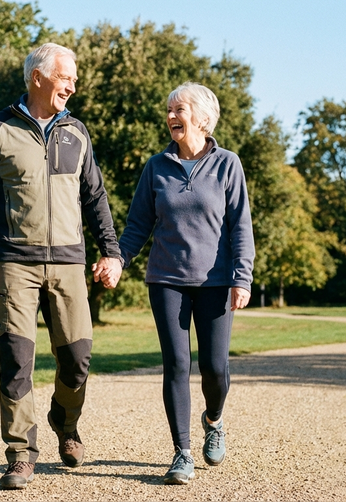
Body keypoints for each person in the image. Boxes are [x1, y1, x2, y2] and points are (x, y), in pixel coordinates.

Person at [0, 42, 122, 490]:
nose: (73, 86)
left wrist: (112, 251)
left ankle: (65, 422)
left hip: (68, 264)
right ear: (38, 77)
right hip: (13, 263)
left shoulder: (77, 132)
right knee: (16, 361)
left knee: (77, 360)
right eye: (66, 77)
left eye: (74, 79)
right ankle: (20, 454)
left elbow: (95, 197)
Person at [105, 82, 254, 485]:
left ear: (202, 118)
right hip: (166, 279)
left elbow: (240, 227)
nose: (171, 116)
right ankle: (182, 451)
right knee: (176, 363)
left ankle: (214, 419)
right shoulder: (156, 167)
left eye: (179, 109)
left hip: (216, 282)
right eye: (169, 110)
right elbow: (138, 225)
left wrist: (242, 277)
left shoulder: (228, 164)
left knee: (215, 368)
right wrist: (118, 259)